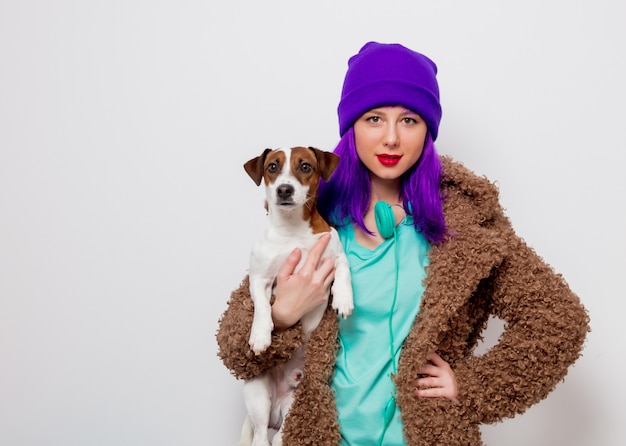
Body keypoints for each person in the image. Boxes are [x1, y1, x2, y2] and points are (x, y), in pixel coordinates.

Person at [217, 42, 589, 445]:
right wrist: (283, 313)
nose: (391, 138)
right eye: (374, 118)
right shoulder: (310, 213)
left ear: (427, 129)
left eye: (409, 120)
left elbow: (559, 322)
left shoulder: (465, 221)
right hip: (319, 435)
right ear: (351, 126)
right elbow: (238, 349)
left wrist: (472, 385)